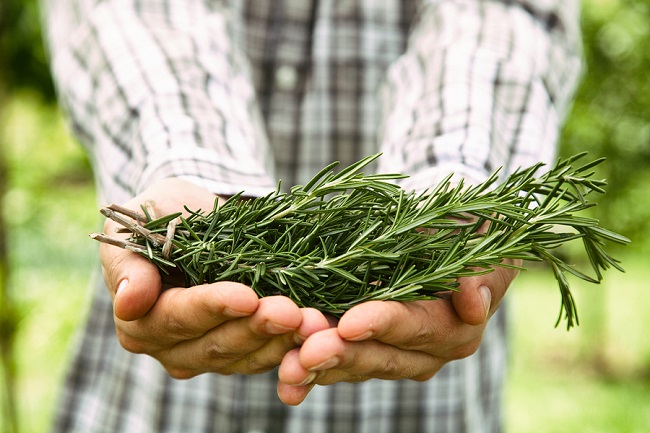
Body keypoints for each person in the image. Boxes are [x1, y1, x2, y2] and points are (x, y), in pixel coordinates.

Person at [42, 0, 583, 432]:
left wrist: (456, 182)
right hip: (155, 402)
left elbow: (504, 15)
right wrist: (188, 166)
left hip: (415, 397)